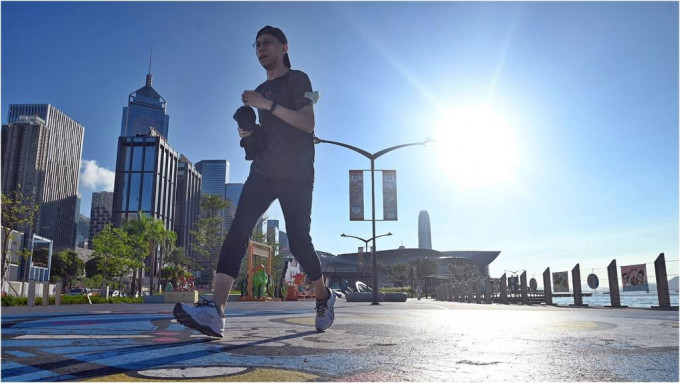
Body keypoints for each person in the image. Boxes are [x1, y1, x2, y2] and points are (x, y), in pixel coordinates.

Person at [173, 25, 335, 338]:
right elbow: (267, 139)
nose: (261, 48)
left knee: (300, 242)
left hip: (298, 175)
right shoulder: (262, 90)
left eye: (267, 43)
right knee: (237, 231)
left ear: (284, 47)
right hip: (263, 172)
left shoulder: (298, 79)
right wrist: (249, 134)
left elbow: (306, 122)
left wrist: (265, 104)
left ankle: (323, 296)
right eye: (257, 45)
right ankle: (215, 312)